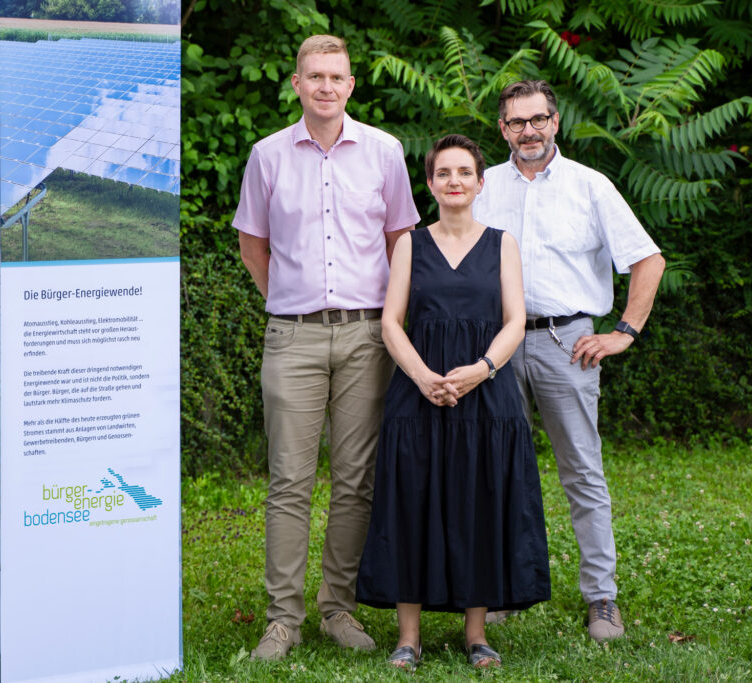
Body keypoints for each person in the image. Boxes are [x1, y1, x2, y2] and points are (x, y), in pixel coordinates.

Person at [232, 35, 420, 661]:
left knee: (355, 480)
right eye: (314, 76)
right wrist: (290, 299)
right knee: (288, 481)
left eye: (336, 77)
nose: (325, 87)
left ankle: (337, 607)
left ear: (350, 85)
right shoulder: (267, 155)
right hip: (293, 336)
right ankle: (282, 618)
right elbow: (252, 244)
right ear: (296, 84)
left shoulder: (385, 153)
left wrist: (388, 320)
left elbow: (402, 242)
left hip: (369, 334)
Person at [472, 79, 665, 642]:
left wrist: (624, 331)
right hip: (497, 344)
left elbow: (647, 260)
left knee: (582, 470)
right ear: (502, 128)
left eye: (538, 119)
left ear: (555, 122)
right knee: (495, 469)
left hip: (567, 341)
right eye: (515, 122)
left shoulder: (591, 186)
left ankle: (602, 598)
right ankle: (500, 591)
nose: (527, 130)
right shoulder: (484, 187)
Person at [355, 134, 551, 670]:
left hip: (488, 396)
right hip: (419, 395)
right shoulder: (410, 245)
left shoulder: (502, 243)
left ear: (481, 182)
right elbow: (391, 321)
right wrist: (421, 376)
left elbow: (515, 320)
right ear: (430, 184)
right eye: (444, 173)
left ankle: (477, 632)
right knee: (411, 502)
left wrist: (482, 370)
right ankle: (408, 637)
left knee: (479, 501)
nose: (455, 181)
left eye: (465, 172)